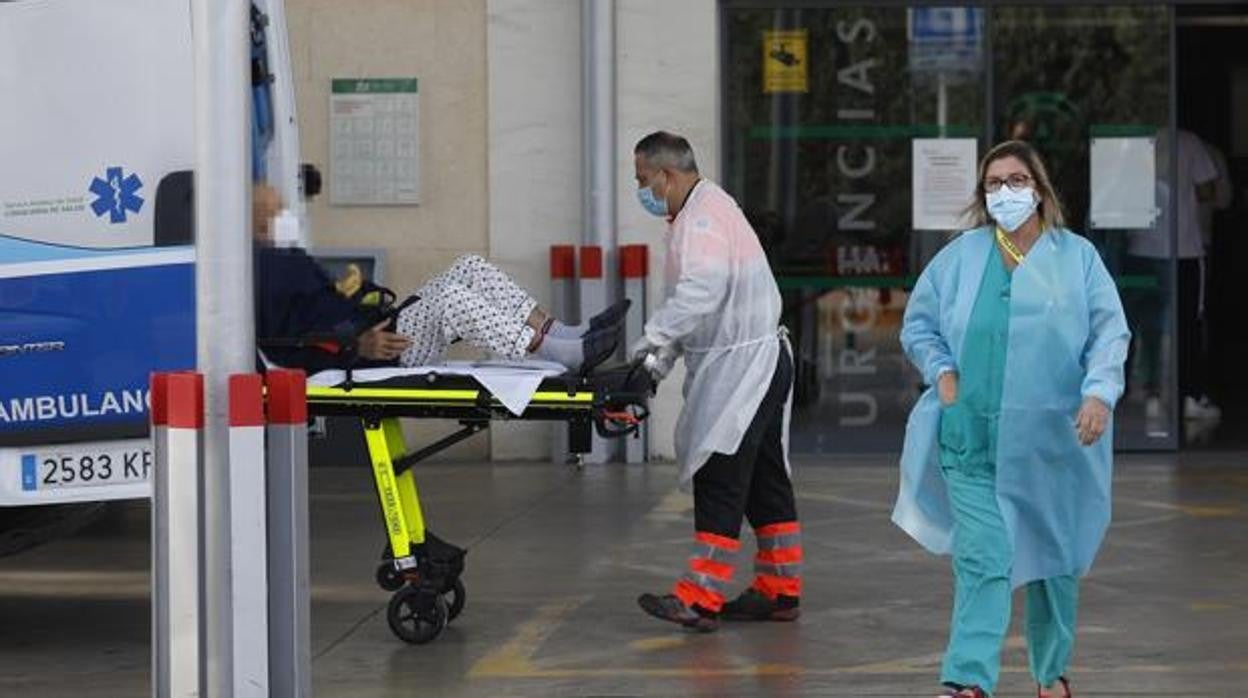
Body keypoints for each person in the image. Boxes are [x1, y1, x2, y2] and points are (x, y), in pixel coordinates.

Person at [892, 141, 1130, 698]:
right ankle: (968, 681)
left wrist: (1098, 394)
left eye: (1017, 180)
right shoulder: (959, 258)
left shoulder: (1077, 259)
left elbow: (1109, 334)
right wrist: (942, 372)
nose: (1005, 192)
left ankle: (1052, 676)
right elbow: (918, 325)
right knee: (985, 557)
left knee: (1054, 569)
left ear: (1041, 190)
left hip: (1055, 445)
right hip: (970, 440)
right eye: (993, 184)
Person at [628, 131, 802, 633]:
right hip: (758, 360)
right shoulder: (705, 209)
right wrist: (656, 365)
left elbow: (701, 294)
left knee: (720, 475)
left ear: (667, 175)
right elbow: (700, 313)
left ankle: (699, 597)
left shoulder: (701, 219)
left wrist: (648, 344)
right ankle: (780, 587)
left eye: (643, 180)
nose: (641, 189)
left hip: (744, 368)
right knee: (766, 479)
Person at [251, 185, 626, 372]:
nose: (285, 216)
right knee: (450, 299)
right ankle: (558, 353)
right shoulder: (264, 270)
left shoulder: (285, 258)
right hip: (375, 350)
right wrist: (355, 342)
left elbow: (321, 300)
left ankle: (560, 332)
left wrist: (357, 291)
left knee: (469, 267)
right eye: (274, 211)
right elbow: (287, 339)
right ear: (256, 220)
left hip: (377, 327)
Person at [1124, 129, 1221, 424]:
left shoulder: (1133, 142)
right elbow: (1208, 191)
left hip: (1142, 248)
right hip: (1184, 251)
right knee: (1187, 327)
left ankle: (1129, 389)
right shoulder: (1189, 141)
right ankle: (1187, 393)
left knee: (1136, 323)